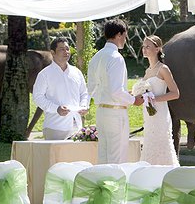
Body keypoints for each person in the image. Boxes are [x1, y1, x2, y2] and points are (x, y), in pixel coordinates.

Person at [87, 19, 143, 163]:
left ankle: (102, 184)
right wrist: (134, 100)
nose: (125, 39)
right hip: (115, 112)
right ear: (119, 35)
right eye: (125, 35)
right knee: (116, 156)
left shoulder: (96, 57)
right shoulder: (116, 57)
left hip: (101, 111)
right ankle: (113, 185)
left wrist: (124, 93)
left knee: (103, 155)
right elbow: (116, 91)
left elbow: (92, 88)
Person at [135, 35, 180, 166]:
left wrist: (154, 99)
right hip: (149, 114)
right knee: (150, 142)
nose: (144, 49)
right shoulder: (147, 71)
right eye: (143, 46)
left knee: (162, 143)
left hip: (160, 113)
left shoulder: (163, 69)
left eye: (148, 46)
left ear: (158, 49)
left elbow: (175, 93)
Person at [32, 38, 89, 140]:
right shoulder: (44, 74)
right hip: (55, 127)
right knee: (56, 157)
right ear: (52, 53)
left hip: (77, 127)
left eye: (67, 49)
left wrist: (83, 105)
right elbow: (38, 97)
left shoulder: (76, 72)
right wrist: (56, 109)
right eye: (62, 49)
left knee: (78, 156)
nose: (66, 52)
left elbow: (84, 93)